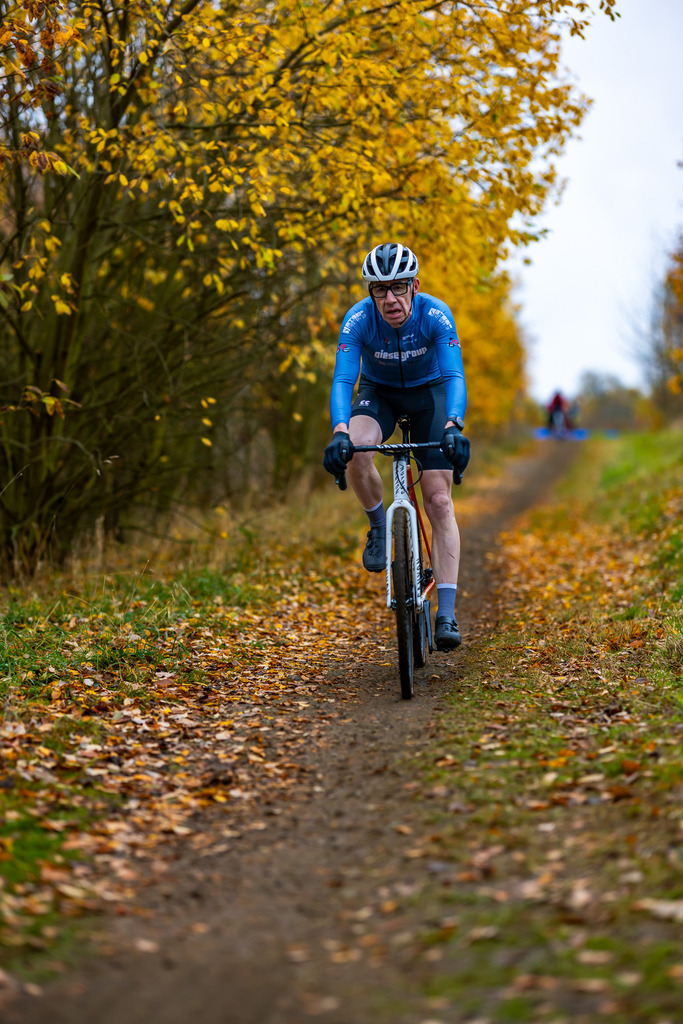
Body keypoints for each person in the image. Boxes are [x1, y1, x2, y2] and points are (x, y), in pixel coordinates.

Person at [323, 242, 470, 651]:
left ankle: (446, 612)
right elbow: (343, 381)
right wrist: (339, 431)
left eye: (399, 287)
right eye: (379, 289)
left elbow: (455, 375)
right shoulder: (357, 321)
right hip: (379, 394)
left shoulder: (436, 315)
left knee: (439, 500)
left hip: (431, 395)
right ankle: (378, 528)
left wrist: (454, 425)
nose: (389, 298)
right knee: (355, 447)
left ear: (415, 286)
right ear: (370, 292)